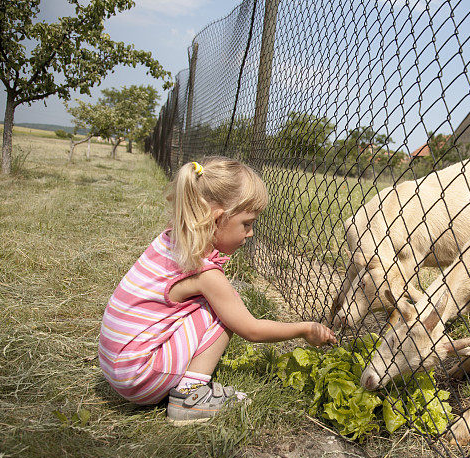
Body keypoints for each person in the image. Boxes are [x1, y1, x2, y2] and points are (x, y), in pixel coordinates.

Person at [99, 157, 335, 424]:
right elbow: (251, 329)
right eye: (247, 223)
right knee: (223, 311)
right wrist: (304, 329)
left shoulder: (169, 241)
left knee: (217, 304)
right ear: (218, 218)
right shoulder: (205, 273)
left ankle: (176, 381)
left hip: (117, 366)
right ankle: (190, 399)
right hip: (138, 378)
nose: (250, 234)